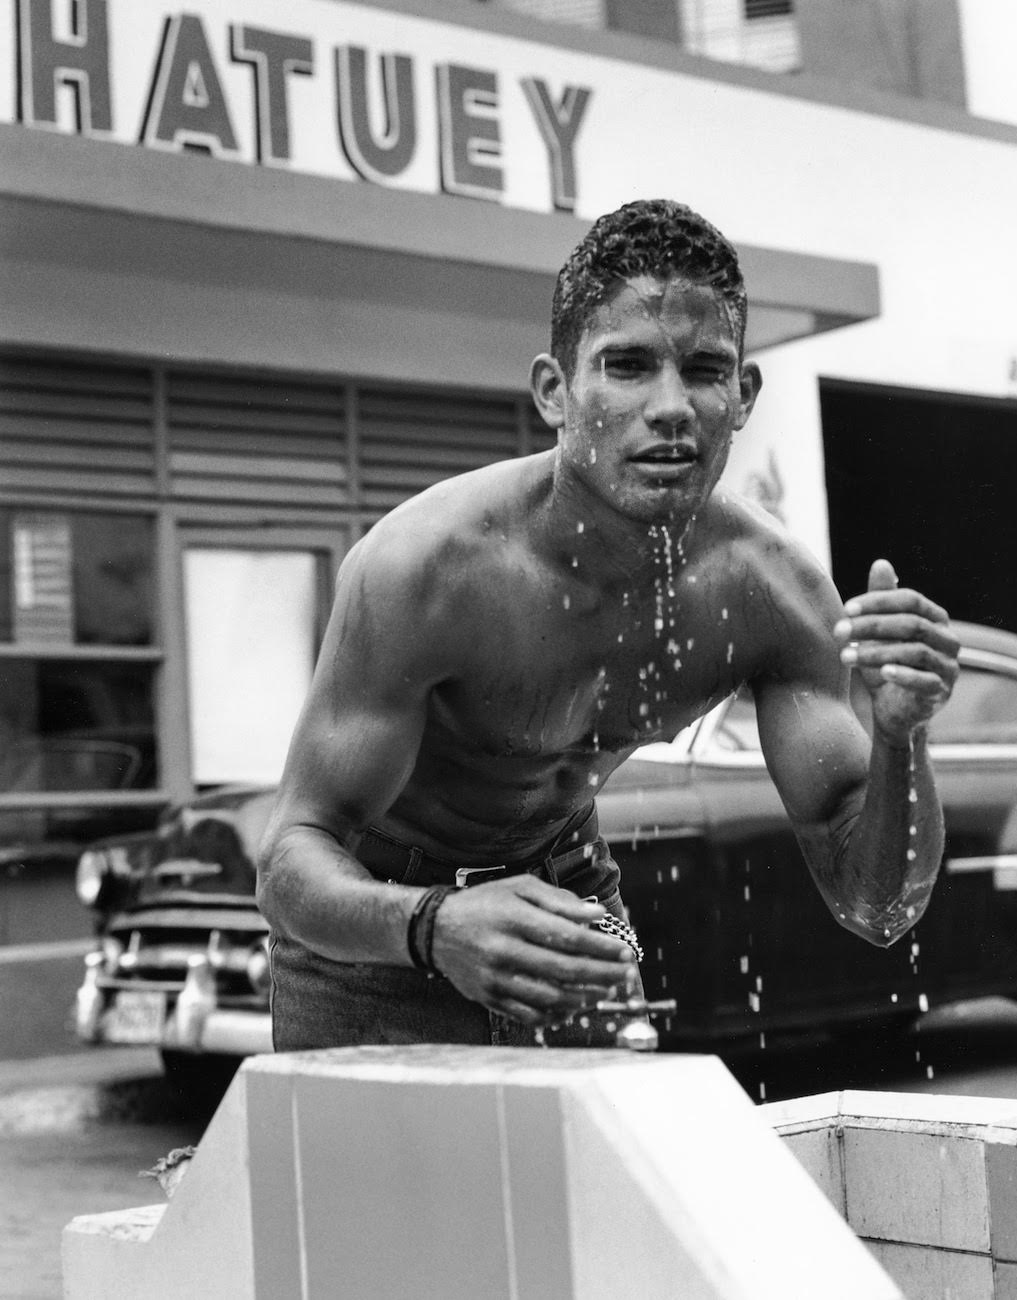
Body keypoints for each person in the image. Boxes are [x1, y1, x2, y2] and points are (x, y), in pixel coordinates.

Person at [257, 198, 959, 1051]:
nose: (670, 406)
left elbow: (875, 907)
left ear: (741, 396)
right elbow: (291, 861)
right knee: (367, 1191)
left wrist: (900, 740)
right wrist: (432, 925)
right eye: (626, 366)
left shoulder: (767, 592)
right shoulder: (426, 570)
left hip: (569, 902)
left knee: (599, 1182)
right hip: (375, 931)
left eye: (703, 371)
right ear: (556, 392)